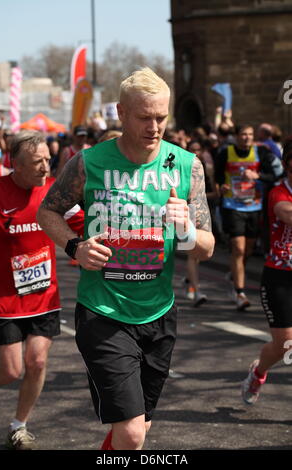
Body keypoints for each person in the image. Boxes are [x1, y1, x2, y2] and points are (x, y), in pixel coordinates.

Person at [37, 67, 215, 451]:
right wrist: (75, 247)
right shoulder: (88, 163)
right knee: (132, 432)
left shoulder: (187, 166)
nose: (155, 127)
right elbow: (47, 211)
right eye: (144, 117)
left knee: (138, 429)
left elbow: (206, 247)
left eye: (162, 117)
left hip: (159, 314)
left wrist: (185, 229)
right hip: (103, 312)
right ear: (121, 112)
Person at [0, 131, 83, 450]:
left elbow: (85, 224)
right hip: (2, 300)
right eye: (37, 162)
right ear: (14, 164)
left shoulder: (54, 195)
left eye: (48, 159)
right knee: (10, 370)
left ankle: (19, 427)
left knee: (38, 362)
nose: (46, 168)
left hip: (44, 296)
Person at [241, 141, 292, 404]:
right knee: (286, 345)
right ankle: (258, 372)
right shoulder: (279, 193)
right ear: (287, 165)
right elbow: (286, 214)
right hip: (280, 278)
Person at [215, 124, 283, 310]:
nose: (246, 137)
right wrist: (221, 186)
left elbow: (276, 175)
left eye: (250, 134)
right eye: (243, 134)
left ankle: (236, 273)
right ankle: (239, 292)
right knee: (238, 248)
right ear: (236, 136)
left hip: (254, 207)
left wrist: (258, 175)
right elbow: (218, 175)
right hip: (232, 205)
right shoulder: (225, 153)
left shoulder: (261, 153)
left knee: (248, 251)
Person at [186, 140, 219, 306]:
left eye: (198, 149)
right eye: (192, 150)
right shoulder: (181, 166)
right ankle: (196, 289)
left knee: (197, 255)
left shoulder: (207, 169)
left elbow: (214, 193)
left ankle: (191, 282)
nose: (196, 152)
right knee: (192, 255)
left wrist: (200, 197)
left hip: (202, 210)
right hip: (185, 211)